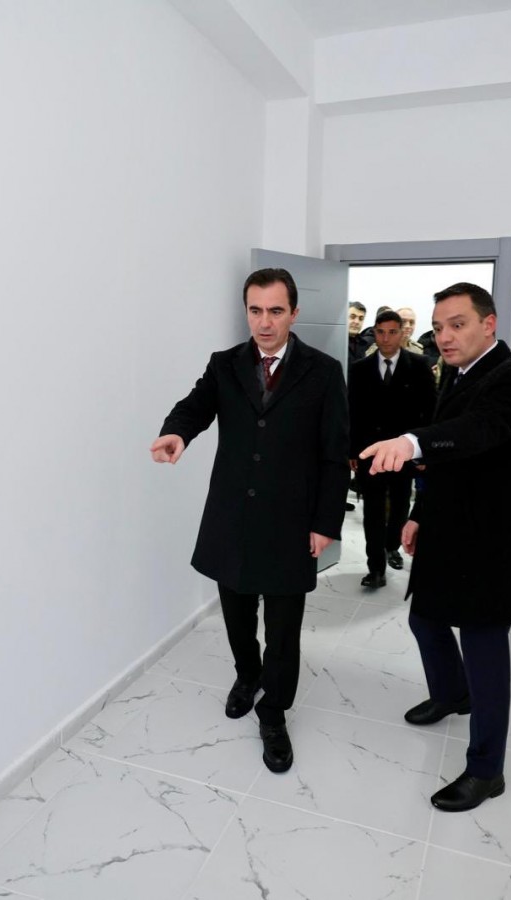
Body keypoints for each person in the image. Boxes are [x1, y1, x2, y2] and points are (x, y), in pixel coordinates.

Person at [151, 268, 349, 775]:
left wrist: (325, 522)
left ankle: (274, 712)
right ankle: (247, 675)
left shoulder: (324, 371)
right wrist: (177, 432)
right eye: (255, 311)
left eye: (275, 311)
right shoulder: (225, 364)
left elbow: (334, 454)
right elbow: (195, 407)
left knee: (283, 630)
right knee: (237, 616)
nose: (264, 322)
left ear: (294, 313)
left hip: (290, 521)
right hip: (232, 517)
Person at [360, 282, 511, 813]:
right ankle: (451, 693)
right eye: (439, 327)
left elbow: (478, 430)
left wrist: (411, 441)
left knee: (485, 652)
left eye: (457, 324)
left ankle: (487, 770)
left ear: (489, 324)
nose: (445, 336)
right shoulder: (459, 373)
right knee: (425, 619)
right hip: (445, 529)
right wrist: (419, 513)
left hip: (490, 542)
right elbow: (450, 458)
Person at [349, 310, 436, 589]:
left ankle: (392, 547)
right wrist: (352, 451)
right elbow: (352, 412)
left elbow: (429, 411)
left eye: (392, 332)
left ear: (402, 334)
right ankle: (375, 568)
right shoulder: (360, 369)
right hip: (371, 452)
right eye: (380, 332)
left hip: (405, 451)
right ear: (374, 333)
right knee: (373, 510)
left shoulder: (419, 365)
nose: (386, 338)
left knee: (400, 503)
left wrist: (424, 451)